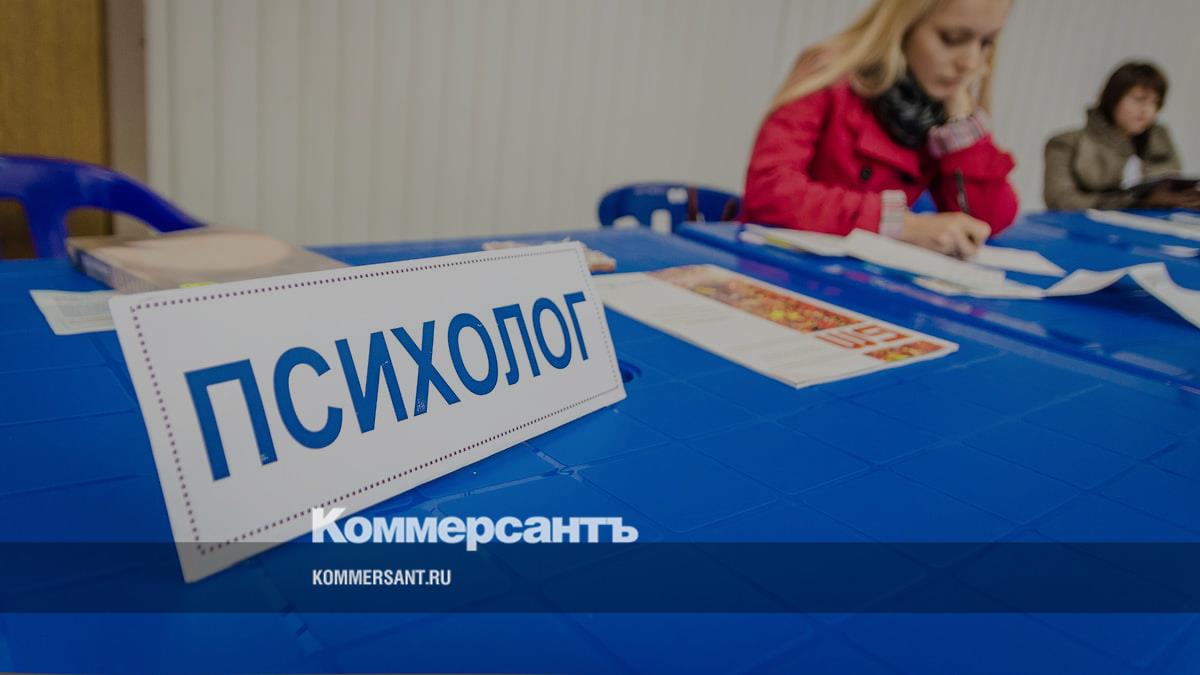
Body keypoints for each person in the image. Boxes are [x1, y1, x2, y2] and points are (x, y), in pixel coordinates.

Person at [740, 0, 1019, 259]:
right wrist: (899, 225)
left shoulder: (942, 105)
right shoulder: (830, 72)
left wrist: (962, 128)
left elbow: (987, 221)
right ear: (903, 25)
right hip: (781, 263)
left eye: (986, 42)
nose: (971, 63)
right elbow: (770, 192)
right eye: (952, 38)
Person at [1044, 62, 1192, 210]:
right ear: (1113, 98)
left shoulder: (1159, 142)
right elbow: (1060, 200)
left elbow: (1173, 186)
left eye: (1155, 102)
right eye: (1139, 99)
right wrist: (1133, 202)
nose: (1147, 110)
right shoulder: (1067, 144)